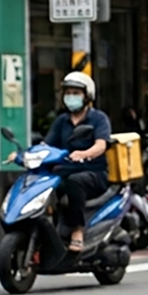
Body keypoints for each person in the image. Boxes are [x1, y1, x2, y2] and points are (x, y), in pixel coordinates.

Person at [45, 72, 111, 252]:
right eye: (68, 93)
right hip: (64, 170)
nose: (71, 97)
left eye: (76, 93)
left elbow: (101, 145)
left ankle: (77, 231)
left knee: (75, 182)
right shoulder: (62, 121)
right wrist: (26, 154)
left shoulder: (98, 119)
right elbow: (47, 144)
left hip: (93, 173)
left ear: (87, 96)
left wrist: (84, 154)